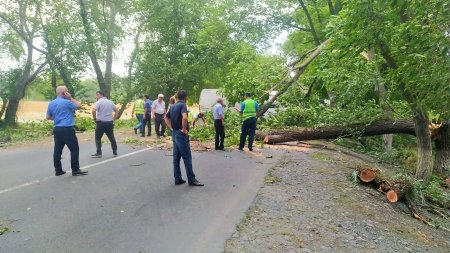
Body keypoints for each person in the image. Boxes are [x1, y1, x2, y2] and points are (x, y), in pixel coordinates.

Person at [46, 85, 88, 176]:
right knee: (74, 149)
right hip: (67, 128)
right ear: (64, 93)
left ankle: (58, 170)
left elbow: (48, 117)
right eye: (67, 91)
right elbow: (78, 106)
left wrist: (58, 117)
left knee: (57, 150)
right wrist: (70, 98)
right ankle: (75, 169)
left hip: (57, 128)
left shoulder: (51, 103)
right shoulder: (66, 102)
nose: (68, 93)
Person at [165, 90, 204, 186]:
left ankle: (177, 178)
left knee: (176, 158)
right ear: (185, 97)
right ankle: (192, 179)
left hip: (174, 133)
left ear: (177, 97)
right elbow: (185, 118)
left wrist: (171, 128)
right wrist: (183, 129)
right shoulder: (183, 105)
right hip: (181, 135)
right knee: (187, 157)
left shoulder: (172, 106)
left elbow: (166, 118)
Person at [91, 91, 118, 158]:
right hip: (109, 122)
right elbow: (117, 110)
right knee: (111, 137)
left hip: (101, 123)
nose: (96, 97)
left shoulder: (99, 102)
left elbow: (93, 110)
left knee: (97, 137)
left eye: (97, 95)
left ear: (100, 95)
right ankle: (115, 151)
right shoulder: (110, 102)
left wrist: (95, 119)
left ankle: (99, 152)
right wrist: (113, 119)